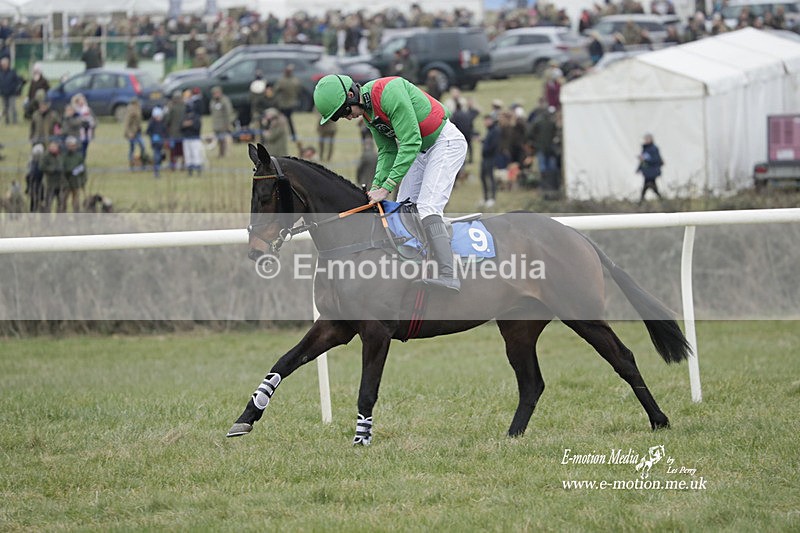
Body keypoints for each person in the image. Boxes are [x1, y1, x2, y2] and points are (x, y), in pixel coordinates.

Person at [313, 74, 468, 291]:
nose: (346, 118)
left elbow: (411, 141)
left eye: (344, 112)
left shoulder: (388, 93)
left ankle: (448, 273)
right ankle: (416, 266)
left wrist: (386, 187)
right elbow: (387, 150)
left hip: (445, 143)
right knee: (401, 211)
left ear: (351, 94)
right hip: (421, 151)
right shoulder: (367, 113)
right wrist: (376, 186)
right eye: (339, 117)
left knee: (426, 207)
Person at [274, 64, 302, 142]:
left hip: (283, 104)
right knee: (289, 121)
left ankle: (279, 134)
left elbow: (275, 90)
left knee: (281, 120)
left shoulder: (282, 81)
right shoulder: (295, 81)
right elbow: (299, 90)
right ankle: (293, 135)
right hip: (291, 103)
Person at [181, 88, 203, 175]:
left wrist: (190, 124)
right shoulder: (184, 116)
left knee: (196, 154)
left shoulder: (196, 116)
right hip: (186, 138)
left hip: (195, 138)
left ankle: (198, 170)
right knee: (188, 155)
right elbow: (181, 126)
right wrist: (185, 125)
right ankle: (190, 170)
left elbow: (197, 126)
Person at [480, 113, 500, 208]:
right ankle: (485, 198)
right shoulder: (489, 131)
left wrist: (487, 149)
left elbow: (494, 145)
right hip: (485, 158)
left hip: (491, 158)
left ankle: (492, 198)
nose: (486, 122)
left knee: (490, 178)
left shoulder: (495, 130)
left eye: (488, 120)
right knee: (483, 177)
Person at [637, 132, 664, 203]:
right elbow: (642, 161)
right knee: (651, 186)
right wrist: (639, 168)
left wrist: (647, 159)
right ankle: (662, 200)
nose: (645, 140)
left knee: (647, 186)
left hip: (652, 171)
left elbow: (657, 160)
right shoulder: (645, 149)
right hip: (647, 171)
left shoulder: (654, 149)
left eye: (647, 139)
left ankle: (640, 202)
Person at [62, 136, 86, 212]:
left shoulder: (79, 157)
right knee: (63, 200)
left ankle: (77, 215)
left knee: (76, 200)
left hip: (76, 182)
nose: (71, 147)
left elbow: (83, 169)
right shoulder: (63, 157)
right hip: (65, 182)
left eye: (73, 145)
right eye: (69, 145)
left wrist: (83, 181)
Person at [40, 140, 65, 212]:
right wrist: (52, 169)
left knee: (61, 203)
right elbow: (42, 167)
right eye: (52, 146)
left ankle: (59, 220)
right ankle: (47, 220)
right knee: (48, 202)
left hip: (60, 183)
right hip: (50, 184)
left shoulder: (61, 155)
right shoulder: (45, 156)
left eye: (55, 146)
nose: (54, 148)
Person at [210, 85, 234, 158]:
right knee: (219, 140)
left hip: (224, 124)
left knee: (224, 140)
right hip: (216, 125)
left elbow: (228, 113)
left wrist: (227, 124)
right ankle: (221, 153)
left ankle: (224, 154)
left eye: (217, 93)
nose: (215, 94)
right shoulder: (212, 102)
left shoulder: (225, 100)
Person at [164, 91, 185, 171]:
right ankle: (183, 165)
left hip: (173, 133)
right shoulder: (185, 106)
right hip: (183, 132)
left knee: (173, 151)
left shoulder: (171, 107)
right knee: (182, 151)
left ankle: (173, 166)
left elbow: (167, 120)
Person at [0, 56, 24, 125]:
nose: (3, 65)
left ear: (8, 64)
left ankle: (15, 121)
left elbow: (18, 81)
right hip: (3, 93)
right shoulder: (0, 73)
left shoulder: (12, 72)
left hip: (12, 93)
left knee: (12, 107)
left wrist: (17, 88)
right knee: (5, 108)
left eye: (4, 64)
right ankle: (7, 121)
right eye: (2, 64)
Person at [123, 99, 146, 169]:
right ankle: (131, 163)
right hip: (132, 133)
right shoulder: (130, 110)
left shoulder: (138, 109)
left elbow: (139, 121)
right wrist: (129, 133)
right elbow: (127, 122)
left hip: (138, 131)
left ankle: (142, 161)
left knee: (142, 146)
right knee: (132, 148)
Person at [146, 107, 167, 177]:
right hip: (155, 144)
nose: (159, 118)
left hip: (162, 143)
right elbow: (148, 132)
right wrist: (153, 136)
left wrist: (165, 138)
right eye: (158, 116)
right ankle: (156, 172)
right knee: (157, 157)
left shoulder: (163, 123)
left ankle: (158, 168)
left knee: (162, 157)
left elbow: (165, 132)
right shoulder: (152, 123)